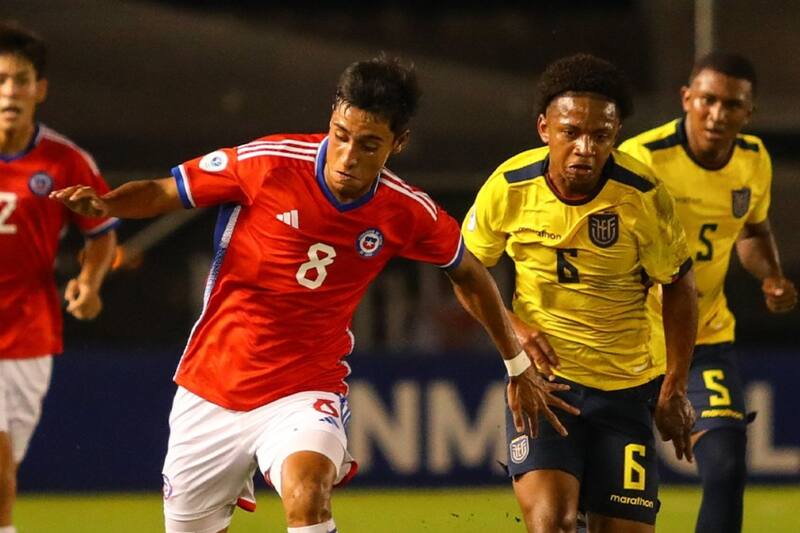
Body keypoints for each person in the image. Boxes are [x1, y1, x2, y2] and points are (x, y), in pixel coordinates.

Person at [52, 55, 577, 533]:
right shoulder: (268, 163)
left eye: (368, 144)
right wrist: (107, 203)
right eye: (341, 134)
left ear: (399, 143)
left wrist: (514, 362)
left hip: (303, 390)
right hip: (211, 385)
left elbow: (469, 272)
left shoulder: (406, 211)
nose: (347, 155)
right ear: (332, 117)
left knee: (308, 493)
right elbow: (167, 190)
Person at [462, 53, 699, 533]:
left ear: (616, 135)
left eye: (601, 135)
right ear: (544, 128)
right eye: (571, 132)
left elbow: (679, 286)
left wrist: (674, 383)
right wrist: (518, 329)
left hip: (628, 390)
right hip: (545, 388)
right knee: (553, 523)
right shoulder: (509, 187)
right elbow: (467, 272)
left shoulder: (643, 196)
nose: (586, 148)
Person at [619, 52, 797, 533]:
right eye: (708, 100)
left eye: (732, 104)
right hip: (627, 342)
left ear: (749, 112)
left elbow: (752, 233)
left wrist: (771, 276)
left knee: (726, 465)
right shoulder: (642, 159)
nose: (718, 114)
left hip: (705, 337)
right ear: (687, 99)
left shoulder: (754, 161)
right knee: (610, 486)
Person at [0, 22, 118, 533]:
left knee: (7, 461)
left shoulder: (66, 162)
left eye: (21, 79)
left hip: (27, 335)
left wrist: (90, 285)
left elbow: (101, 231)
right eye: (0, 79)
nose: (9, 91)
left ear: (40, 89)